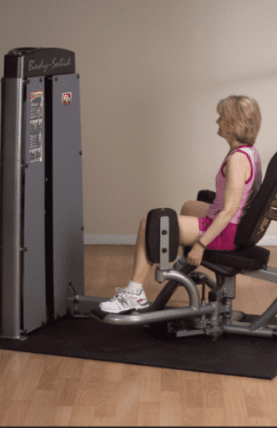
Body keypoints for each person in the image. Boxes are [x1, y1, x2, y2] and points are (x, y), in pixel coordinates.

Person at [100, 95, 263, 313]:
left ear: (233, 125)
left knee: (150, 223)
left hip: (226, 232)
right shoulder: (247, 151)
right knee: (188, 206)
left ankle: (134, 293)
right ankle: (182, 265)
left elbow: (229, 211)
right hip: (233, 223)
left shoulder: (237, 160)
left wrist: (200, 245)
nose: (217, 122)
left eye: (221, 118)